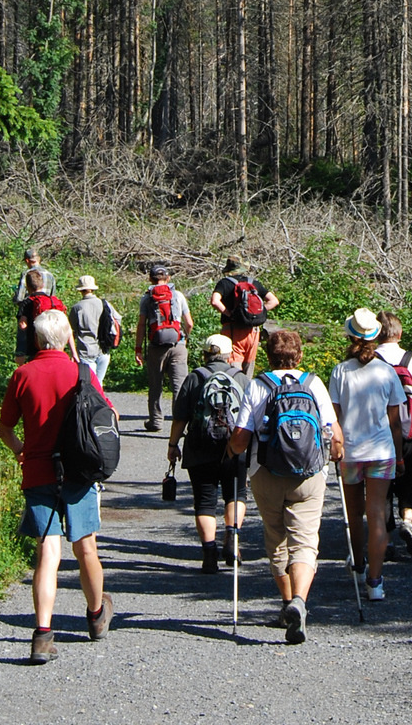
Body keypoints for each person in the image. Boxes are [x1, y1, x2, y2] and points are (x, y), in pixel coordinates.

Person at [0, 309, 115, 663]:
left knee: (47, 554)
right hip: (78, 474)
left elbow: (4, 428)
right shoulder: (83, 372)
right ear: (67, 339)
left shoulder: (22, 374)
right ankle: (96, 615)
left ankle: (43, 635)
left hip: (38, 473)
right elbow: (109, 415)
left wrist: (22, 452)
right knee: (86, 549)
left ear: (36, 340)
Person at [227, 327, 342, 645]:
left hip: (265, 472)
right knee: (305, 541)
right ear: (299, 355)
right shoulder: (313, 384)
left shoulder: (258, 385)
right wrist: (336, 455)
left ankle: (286, 602)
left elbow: (240, 439)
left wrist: (231, 451)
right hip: (309, 474)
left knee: (276, 538)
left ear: (267, 355)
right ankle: (300, 602)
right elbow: (335, 436)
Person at [328, 307, 406, 603]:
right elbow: (395, 421)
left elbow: (334, 416)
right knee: (377, 514)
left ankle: (358, 566)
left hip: (350, 451)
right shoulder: (386, 372)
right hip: (381, 451)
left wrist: (334, 447)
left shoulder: (340, 371)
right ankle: (375, 582)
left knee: (354, 513)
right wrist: (399, 457)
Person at [167, 333, 249, 572]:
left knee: (204, 502)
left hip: (200, 447)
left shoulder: (195, 378)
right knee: (236, 494)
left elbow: (180, 417)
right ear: (229, 355)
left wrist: (173, 446)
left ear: (204, 354)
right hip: (234, 447)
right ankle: (233, 537)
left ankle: (209, 554)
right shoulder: (241, 379)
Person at [375, 310, 412, 555]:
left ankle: (386, 540)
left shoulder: (370, 359)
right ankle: (408, 521)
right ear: (399, 334)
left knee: (382, 485)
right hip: (411, 432)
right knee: (410, 478)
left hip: (379, 433)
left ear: (376, 334)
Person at [135, 262, 193, 432]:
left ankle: (156, 421)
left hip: (156, 346)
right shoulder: (178, 296)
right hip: (178, 344)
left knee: (155, 385)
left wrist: (138, 349)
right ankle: (179, 425)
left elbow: (141, 325)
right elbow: (189, 323)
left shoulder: (147, 298)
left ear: (150, 279)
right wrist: (184, 338)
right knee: (179, 386)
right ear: (168, 278)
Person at [209, 254, 279, 374]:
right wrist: (261, 312)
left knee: (233, 368)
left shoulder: (224, 283)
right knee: (248, 367)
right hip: (253, 331)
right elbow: (274, 301)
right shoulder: (254, 283)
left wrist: (229, 314)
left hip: (233, 330)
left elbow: (215, 301)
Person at [69, 275, 122, 387]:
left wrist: (72, 351)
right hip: (103, 348)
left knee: (90, 384)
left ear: (80, 290)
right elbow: (118, 319)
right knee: (99, 382)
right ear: (93, 288)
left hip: (85, 349)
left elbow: (71, 329)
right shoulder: (104, 304)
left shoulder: (77, 308)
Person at [15, 267, 67, 366]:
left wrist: (20, 352)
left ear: (27, 286)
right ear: (43, 285)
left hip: (34, 350)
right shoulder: (52, 301)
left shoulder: (26, 303)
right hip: (54, 348)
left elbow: (23, 327)